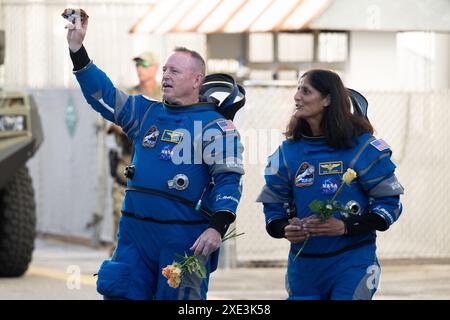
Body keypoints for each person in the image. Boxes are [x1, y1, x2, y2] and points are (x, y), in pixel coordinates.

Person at [66, 15, 244, 300]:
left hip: (183, 239)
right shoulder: (145, 112)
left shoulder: (215, 127)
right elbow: (104, 96)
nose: (166, 76)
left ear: (197, 79)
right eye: (164, 70)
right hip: (134, 236)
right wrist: (78, 51)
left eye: (175, 71)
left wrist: (217, 228)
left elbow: (228, 180)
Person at [256, 69, 404, 300]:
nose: (297, 96)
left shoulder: (363, 148)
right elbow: (273, 208)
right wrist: (285, 228)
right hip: (304, 267)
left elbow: (389, 205)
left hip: (352, 261)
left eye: (306, 90)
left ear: (327, 99)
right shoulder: (287, 153)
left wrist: (346, 227)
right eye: (297, 89)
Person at [107, 51, 161, 257]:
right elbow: (114, 122)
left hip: (155, 175)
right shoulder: (129, 95)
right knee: (120, 225)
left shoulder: (165, 95)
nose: (140, 68)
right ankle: (117, 274)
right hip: (127, 171)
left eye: (145, 64)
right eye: (137, 64)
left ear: (155, 67)